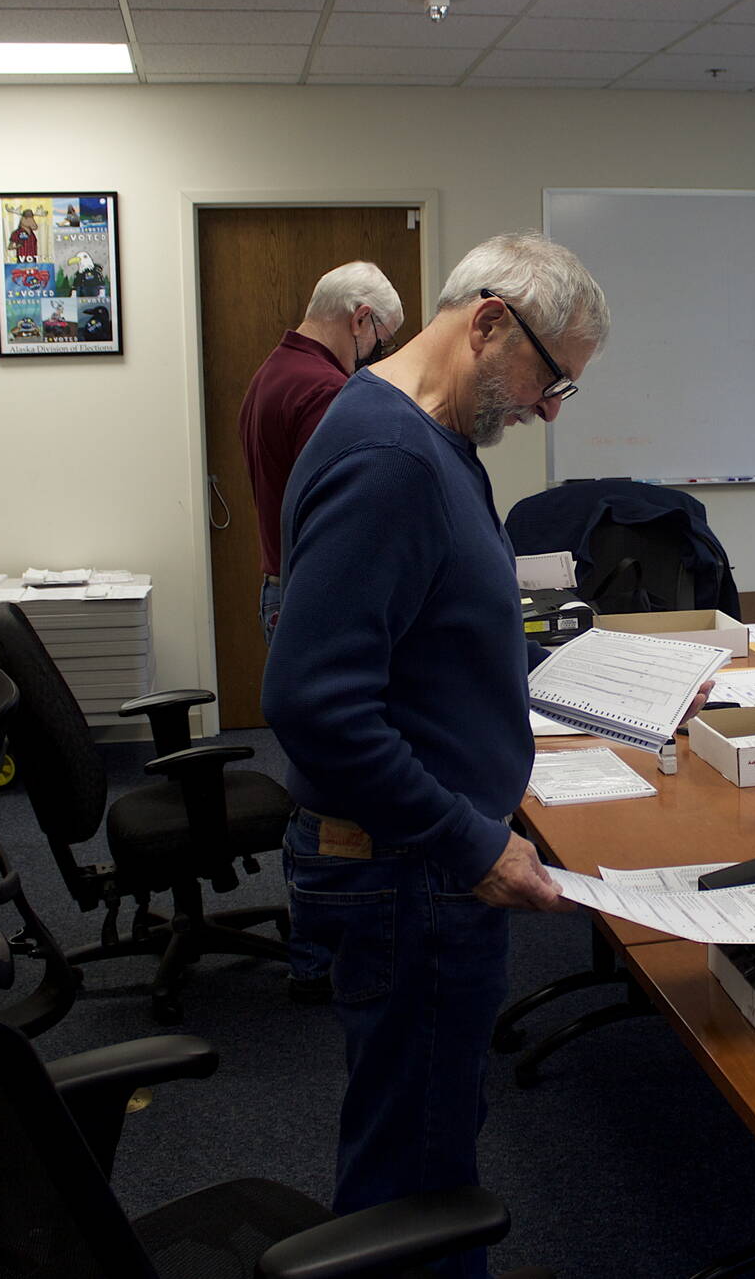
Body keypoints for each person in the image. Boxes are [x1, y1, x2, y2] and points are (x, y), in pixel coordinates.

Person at [262, 233, 612, 1279]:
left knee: (423, 1140)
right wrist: (470, 843)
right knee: (414, 1179)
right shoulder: (390, 459)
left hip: (412, 861)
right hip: (409, 872)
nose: (551, 411)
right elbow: (311, 701)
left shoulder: (422, 435)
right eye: (552, 382)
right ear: (488, 321)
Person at [236, 260, 403, 645]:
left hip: (282, 584)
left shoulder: (272, 372)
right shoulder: (323, 390)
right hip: (314, 592)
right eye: (382, 339)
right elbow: (342, 511)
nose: (378, 353)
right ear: (360, 319)